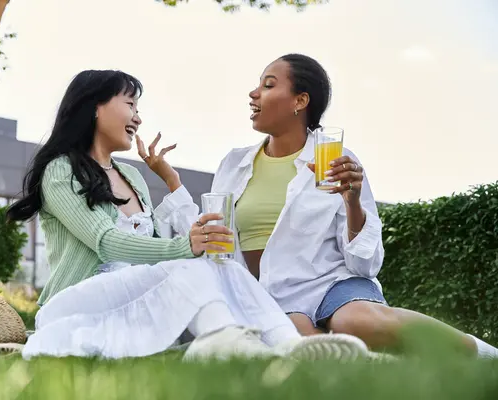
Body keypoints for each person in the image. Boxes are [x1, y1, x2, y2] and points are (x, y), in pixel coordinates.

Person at [5, 69, 368, 361]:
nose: (138, 116)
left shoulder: (131, 177)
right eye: (130, 103)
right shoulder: (60, 170)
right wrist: (186, 247)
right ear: (95, 107)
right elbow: (106, 242)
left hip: (138, 298)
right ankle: (222, 341)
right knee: (192, 264)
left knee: (222, 265)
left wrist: (192, 235)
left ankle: (288, 346)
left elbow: (158, 248)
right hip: (79, 303)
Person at [154, 54, 498, 358]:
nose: (254, 93)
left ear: (300, 100)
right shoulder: (234, 164)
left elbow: (364, 264)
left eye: (268, 85)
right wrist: (172, 183)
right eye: (258, 85)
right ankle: (391, 369)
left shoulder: (336, 161)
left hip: (334, 283)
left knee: (356, 321)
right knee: (302, 342)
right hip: (272, 294)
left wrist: (352, 203)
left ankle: (481, 354)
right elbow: (216, 242)